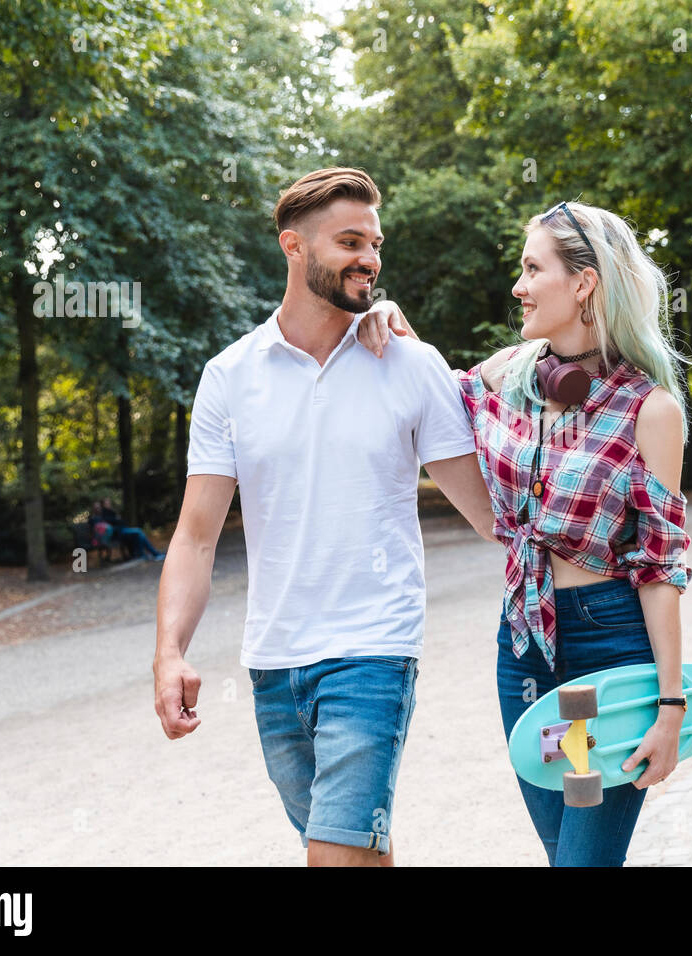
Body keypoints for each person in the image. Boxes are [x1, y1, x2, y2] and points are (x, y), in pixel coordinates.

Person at [152, 167, 497, 867]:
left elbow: (494, 515)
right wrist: (169, 652)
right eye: (349, 241)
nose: (369, 258)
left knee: (334, 856)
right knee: (359, 852)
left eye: (375, 243)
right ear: (294, 247)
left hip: (373, 651)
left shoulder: (410, 363)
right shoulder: (230, 377)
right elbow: (194, 536)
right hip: (274, 664)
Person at [358, 200, 692, 867]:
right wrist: (397, 328)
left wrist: (672, 706)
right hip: (522, 646)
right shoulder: (509, 373)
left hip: (611, 645)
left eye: (532, 268)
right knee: (562, 853)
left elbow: (660, 569)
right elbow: (434, 403)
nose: (518, 285)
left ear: (584, 283)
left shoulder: (651, 412)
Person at [98, 497, 164, 561]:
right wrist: (117, 520)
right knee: (138, 531)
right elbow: (114, 523)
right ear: (103, 505)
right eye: (107, 503)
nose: (109, 504)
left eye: (109, 502)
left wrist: (118, 520)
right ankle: (152, 554)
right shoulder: (104, 514)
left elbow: (119, 521)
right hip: (118, 533)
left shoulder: (110, 512)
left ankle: (147, 554)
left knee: (139, 534)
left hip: (121, 530)